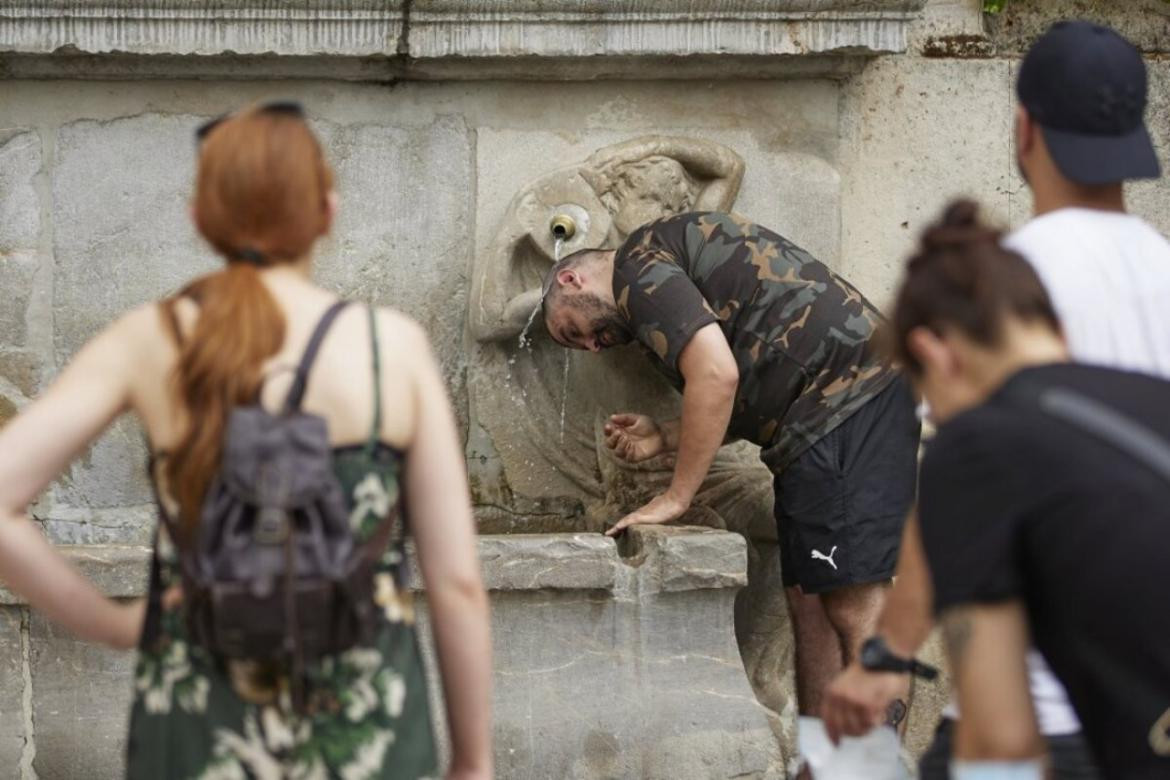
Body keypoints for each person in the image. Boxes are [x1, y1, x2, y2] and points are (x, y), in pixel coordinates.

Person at [0, 103, 493, 779]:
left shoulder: (152, 339)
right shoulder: (392, 349)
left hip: (199, 731)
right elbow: (457, 582)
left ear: (200, 220)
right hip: (367, 723)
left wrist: (114, 625)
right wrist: (474, 760)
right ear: (327, 211)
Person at [822, 19, 1168, 776]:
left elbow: (955, 496)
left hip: (1028, 701)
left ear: (1024, 128)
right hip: (1145, 699)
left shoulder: (995, 288)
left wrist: (887, 654)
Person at [540, 211, 920, 724]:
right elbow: (736, 386)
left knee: (855, 606)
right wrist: (667, 435)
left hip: (847, 399)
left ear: (570, 279)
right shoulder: (656, 271)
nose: (589, 346)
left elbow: (716, 376)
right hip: (821, 416)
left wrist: (676, 497)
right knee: (810, 602)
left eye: (572, 331)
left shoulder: (635, 266)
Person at [886, 199, 1170, 777]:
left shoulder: (976, 448)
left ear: (934, 354)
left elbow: (999, 743)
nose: (935, 417)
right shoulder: (1152, 398)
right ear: (1059, 330)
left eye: (927, 402)